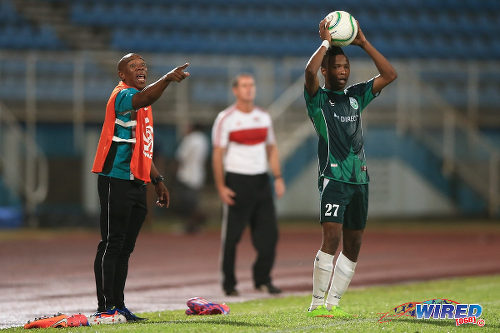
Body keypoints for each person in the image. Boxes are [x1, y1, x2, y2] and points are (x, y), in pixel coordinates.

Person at [304, 19, 397, 317]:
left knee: (354, 245)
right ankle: (317, 304)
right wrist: (326, 44)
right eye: (337, 67)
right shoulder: (318, 100)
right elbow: (308, 72)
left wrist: (364, 44)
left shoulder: (356, 96)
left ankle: (333, 304)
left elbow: (390, 74)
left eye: (346, 67)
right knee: (331, 239)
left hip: (360, 181)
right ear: (326, 71)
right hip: (334, 178)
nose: (343, 72)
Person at [91, 53, 190, 323]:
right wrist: (168, 78)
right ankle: (105, 308)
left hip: (136, 181)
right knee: (112, 243)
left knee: (125, 247)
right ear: (122, 74)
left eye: (143, 65)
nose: (141, 68)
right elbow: (146, 97)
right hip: (116, 178)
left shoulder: (142, 104)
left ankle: (119, 306)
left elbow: (142, 148)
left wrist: (157, 180)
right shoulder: (123, 95)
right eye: (134, 66)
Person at [211, 73, 286, 296]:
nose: (249, 89)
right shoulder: (226, 118)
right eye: (244, 86)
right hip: (237, 180)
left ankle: (262, 279)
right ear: (235, 90)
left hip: (261, 181)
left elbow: (271, 148)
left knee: (269, 236)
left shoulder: (263, 117)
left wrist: (278, 177)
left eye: (251, 85)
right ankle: (229, 284)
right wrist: (221, 186)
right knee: (232, 237)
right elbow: (217, 155)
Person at [174, 122, 209, 234]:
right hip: (198, 174)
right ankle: (194, 225)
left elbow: (181, 156)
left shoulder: (190, 139)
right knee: (193, 202)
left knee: (187, 203)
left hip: (186, 175)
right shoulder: (204, 140)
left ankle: (191, 225)